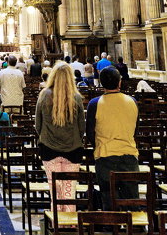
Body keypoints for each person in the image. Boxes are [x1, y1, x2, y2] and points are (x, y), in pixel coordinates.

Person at [86, 65, 139, 211]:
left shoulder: (95, 103)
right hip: (129, 154)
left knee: (108, 199)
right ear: (119, 82)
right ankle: (135, 229)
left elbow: (89, 132)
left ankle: (111, 228)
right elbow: (136, 129)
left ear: (101, 83)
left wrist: (98, 145)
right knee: (132, 198)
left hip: (105, 155)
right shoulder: (132, 101)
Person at [35, 63, 85, 211]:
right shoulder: (76, 97)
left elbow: (38, 124)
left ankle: (57, 227)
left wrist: (47, 136)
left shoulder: (44, 94)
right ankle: (69, 228)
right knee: (69, 192)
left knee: (55, 191)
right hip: (73, 150)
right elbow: (81, 127)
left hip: (49, 149)